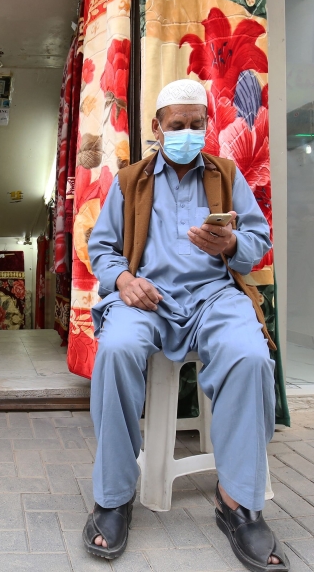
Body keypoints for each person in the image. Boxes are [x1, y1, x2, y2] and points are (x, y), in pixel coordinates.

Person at [82, 79, 286, 571]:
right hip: (147, 299)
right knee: (114, 352)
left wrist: (232, 246)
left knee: (251, 355)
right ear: (157, 127)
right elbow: (102, 250)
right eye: (178, 126)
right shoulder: (131, 180)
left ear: (207, 125)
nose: (188, 134)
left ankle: (238, 502)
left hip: (214, 297)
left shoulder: (227, 174)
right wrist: (124, 279)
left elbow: (258, 240)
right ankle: (113, 498)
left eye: (198, 125)